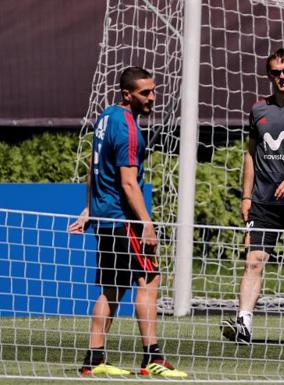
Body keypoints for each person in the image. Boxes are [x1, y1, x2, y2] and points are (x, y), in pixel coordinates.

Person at [69, 67, 187, 378]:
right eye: (145, 93)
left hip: (105, 216)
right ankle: (153, 357)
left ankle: (93, 360)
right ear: (127, 94)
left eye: (153, 90)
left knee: (112, 287)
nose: (153, 97)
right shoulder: (128, 129)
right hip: (124, 219)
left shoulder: (106, 116)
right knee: (149, 280)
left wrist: (89, 209)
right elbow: (128, 183)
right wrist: (147, 224)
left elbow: (93, 168)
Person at [220, 48, 284, 345]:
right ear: (269, 75)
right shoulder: (258, 110)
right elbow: (251, 155)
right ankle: (244, 325)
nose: (282, 77)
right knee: (254, 260)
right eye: (276, 72)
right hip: (265, 204)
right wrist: (246, 197)